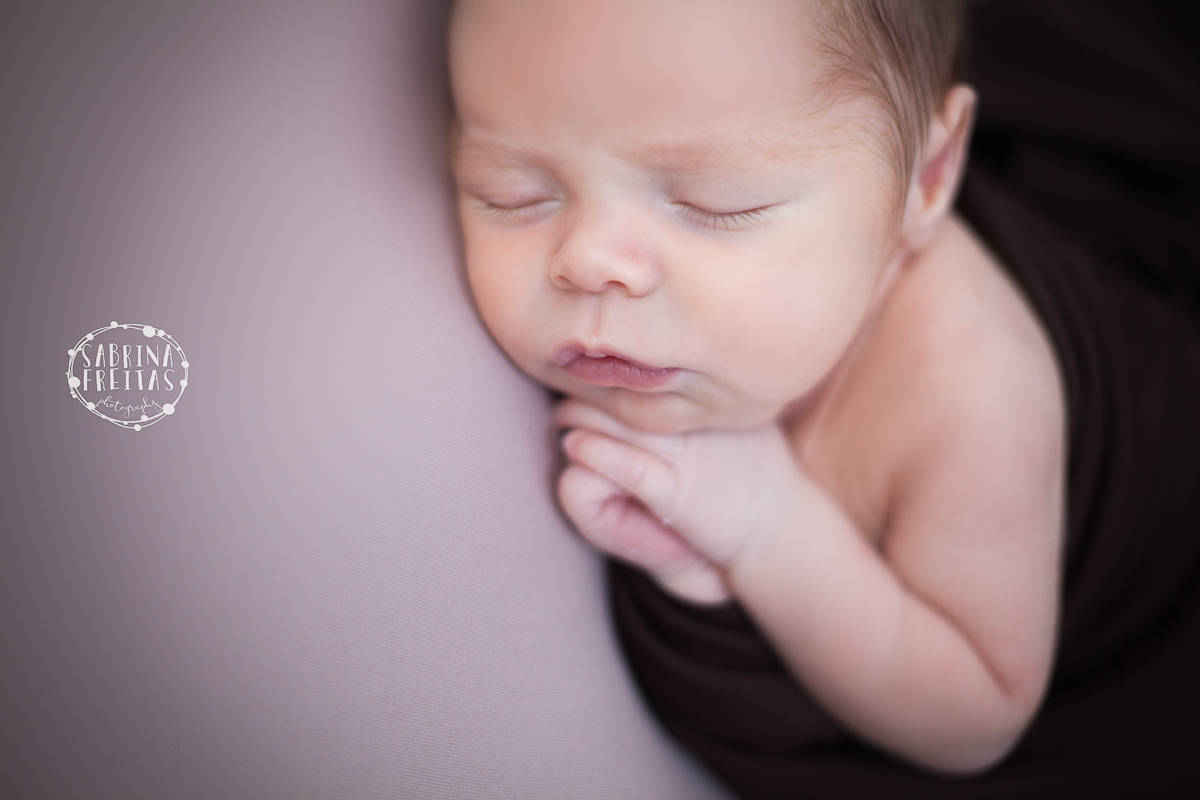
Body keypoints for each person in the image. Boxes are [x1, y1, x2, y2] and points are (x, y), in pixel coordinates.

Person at [447, 0, 1200, 794]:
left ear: (929, 178)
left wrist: (765, 527)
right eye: (512, 191)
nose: (590, 260)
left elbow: (977, 714)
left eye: (715, 204)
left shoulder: (972, 400)